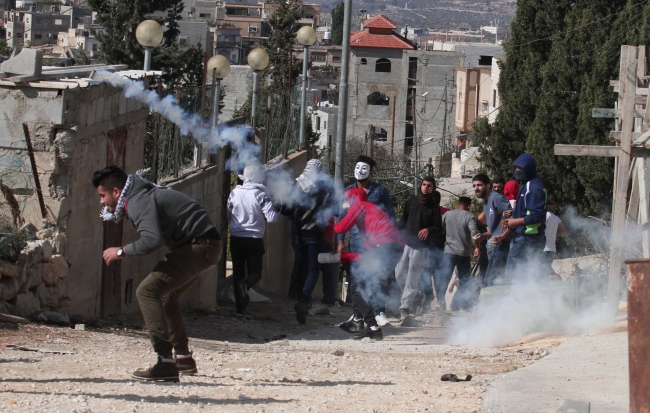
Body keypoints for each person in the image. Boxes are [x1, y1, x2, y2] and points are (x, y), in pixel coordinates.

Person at [93, 166, 221, 382]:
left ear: (116, 191)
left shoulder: (136, 200)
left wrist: (121, 251)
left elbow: (151, 240)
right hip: (206, 246)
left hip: (199, 247)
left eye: (102, 195)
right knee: (167, 297)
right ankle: (183, 358)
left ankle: (165, 361)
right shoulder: (142, 193)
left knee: (147, 291)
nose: (101, 202)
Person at [333, 188, 404, 340]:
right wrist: (344, 256)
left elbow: (340, 227)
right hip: (395, 248)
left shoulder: (359, 206)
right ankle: (358, 320)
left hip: (385, 246)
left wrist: (324, 221)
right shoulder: (371, 213)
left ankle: (372, 326)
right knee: (362, 283)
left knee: (358, 287)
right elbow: (365, 256)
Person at [337, 155, 396, 327]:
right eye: (357, 167)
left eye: (364, 168)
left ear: (370, 172)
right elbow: (342, 217)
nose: (359, 171)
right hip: (355, 244)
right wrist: (340, 242)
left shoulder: (380, 191)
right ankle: (359, 316)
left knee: (377, 278)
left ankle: (379, 312)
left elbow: (390, 216)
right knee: (357, 280)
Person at [277, 159, 337, 324]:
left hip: (298, 233)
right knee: (313, 269)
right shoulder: (326, 188)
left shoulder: (297, 184)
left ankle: (299, 294)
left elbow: (287, 209)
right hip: (315, 235)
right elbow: (335, 209)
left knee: (301, 264)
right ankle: (303, 301)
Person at [227, 165, 279, 316]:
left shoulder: (234, 193)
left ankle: (240, 310)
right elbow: (272, 218)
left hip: (236, 238)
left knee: (237, 274)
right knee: (255, 273)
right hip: (254, 239)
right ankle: (247, 284)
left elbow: (228, 215)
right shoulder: (261, 195)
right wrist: (278, 207)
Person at [394, 177, 443, 321]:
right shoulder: (411, 201)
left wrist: (428, 230)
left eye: (429, 186)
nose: (425, 188)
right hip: (407, 244)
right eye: (424, 185)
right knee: (398, 273)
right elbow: (403, 221)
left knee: (412, 278)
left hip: (421, 248)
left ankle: (405, 307)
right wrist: (390, 228)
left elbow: (439, 228)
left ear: (433, 188)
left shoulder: (434, 207)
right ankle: (417, 296)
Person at [502, 153, 547, 282]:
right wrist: (513, 213)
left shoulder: (534, 187)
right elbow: (527, 210)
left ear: (528, 169)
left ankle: (516, 300)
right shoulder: (527, 185)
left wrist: (515, 222)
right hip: (527, 238)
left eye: (520, 168)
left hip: (527, 238)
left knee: (513, 277)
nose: (517, 171)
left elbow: (537, 215)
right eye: (515, 168)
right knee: (527, 276)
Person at [437, 196, 479, 311]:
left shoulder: (448, 215)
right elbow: (474, 234)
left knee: (445, 278)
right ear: (469, 206)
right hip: (463, 254)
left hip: (448, 252)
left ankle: (441, 302)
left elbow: (440, 229)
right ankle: (462, 305)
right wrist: (477, 247)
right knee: (464, 279)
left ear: (458, 205)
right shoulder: (469, 216)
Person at [472, 173, 512, 287]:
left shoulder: (497, 198)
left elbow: (512, 218)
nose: (476, 188)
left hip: (505, 244)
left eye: (479, 185)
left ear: (488, 186)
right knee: (488, 281)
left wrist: (503, 236)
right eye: (474, 186)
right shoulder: (486, 203)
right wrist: (483, 235)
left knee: (494, 281)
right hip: (497, 245)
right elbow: (495, 229)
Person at [543, 202, 567, 278]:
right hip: (551, 248)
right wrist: (553, 235)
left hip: (543, 248)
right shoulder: (555, 217)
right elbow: (564, 231)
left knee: (543, 270)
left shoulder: (544, 216)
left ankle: (558, 281)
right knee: (545, 270)